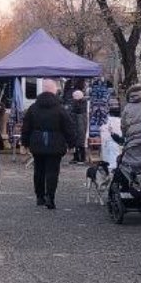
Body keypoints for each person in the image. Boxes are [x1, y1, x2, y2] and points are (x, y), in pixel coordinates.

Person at [21, 79, 76, 210]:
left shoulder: (33, 108)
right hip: (55, 144)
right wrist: (71, 143)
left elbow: (26, 127)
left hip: (37, 143)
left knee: (38, 170)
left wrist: (25, 142)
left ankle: (39, 196)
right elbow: (69, 127)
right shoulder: (60, 109)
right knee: (52, 171)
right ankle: (50, 197)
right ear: (54, 91)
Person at [69, 90, 88, 164]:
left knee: (80, 141)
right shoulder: (82, 103)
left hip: (79, 124)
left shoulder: (79, 105)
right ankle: (78, 157)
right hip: (79, 124)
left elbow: (76, 113)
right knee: (78, 141)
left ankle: (81, 158)